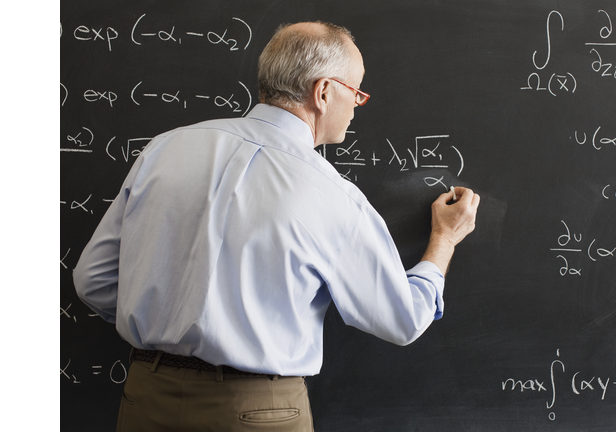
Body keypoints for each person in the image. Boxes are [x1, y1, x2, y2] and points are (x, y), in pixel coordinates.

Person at [73, 21, 479, 432]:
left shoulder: (164, 148)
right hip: (256, 411)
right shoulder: (330, 192)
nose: (357, 105)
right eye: (356, 92)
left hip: (146, 398)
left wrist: (164, 329)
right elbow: (402, 320)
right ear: (323, 92)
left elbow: (93, 281)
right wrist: (444, 239)